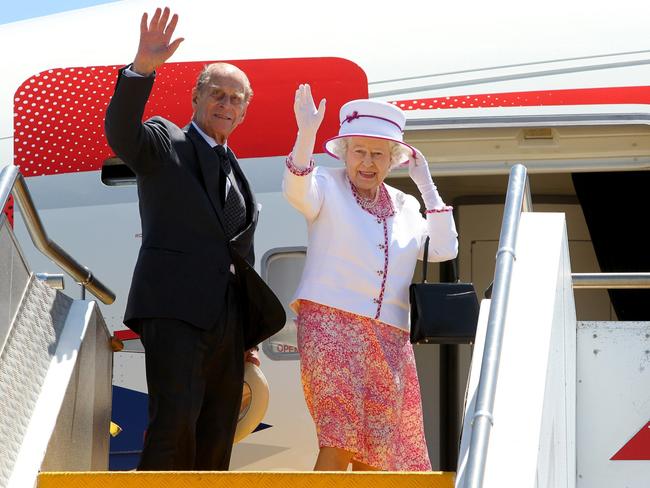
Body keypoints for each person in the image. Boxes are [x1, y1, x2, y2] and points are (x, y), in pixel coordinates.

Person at [104, 8, 284, 470]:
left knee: (217, 429)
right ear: (197, 97)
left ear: (245, 110)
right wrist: (141, 69)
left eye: (236, 99)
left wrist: (245, 339)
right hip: (175, 309)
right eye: (217, 94)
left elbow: (235, 256)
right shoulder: (166, 142)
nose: (226, 104)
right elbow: (122, 132)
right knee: (174, 423)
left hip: (227, 323)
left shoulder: (238, 174)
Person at [282, 85, 458, 471]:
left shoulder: (406, 205)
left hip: (390, 337)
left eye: (378, 153)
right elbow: (297, 192)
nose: (367, 162)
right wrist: (306, 134)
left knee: (377, 455)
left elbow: (445, 249)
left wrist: (426, 184)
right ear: (345, 153)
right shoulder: (326, 185)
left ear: (393, 159)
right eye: (359, 151)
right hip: (330, 323)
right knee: (339, 436)